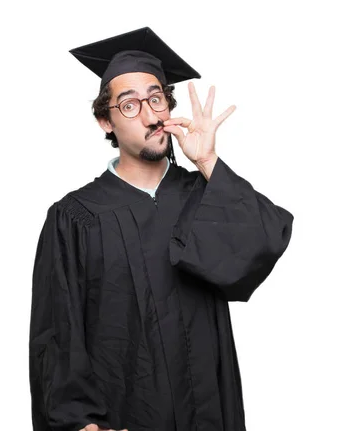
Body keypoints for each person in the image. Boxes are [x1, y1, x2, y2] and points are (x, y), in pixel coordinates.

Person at [29, 27, 294, 431]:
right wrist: (81, 425)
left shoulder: (204, 194)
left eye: (156, 99)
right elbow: (57, 334)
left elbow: (265, 240)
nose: (152, 114)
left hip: (210, 415)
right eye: (130, 105)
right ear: (105, 120)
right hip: (125, 417)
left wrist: (208, 163)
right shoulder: (76, 217)